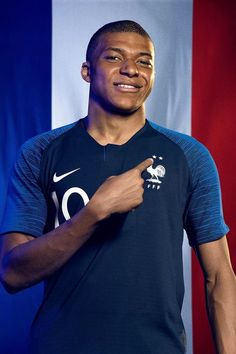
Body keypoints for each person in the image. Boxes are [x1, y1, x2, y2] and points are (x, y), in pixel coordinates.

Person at [0, 20, 235, 354]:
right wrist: (93, 213)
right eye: (114, 57)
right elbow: (12, 274)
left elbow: (220, 277)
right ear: (86, 70)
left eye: (144, 62)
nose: (131, 70)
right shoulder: (40, 152)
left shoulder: (188, 155)